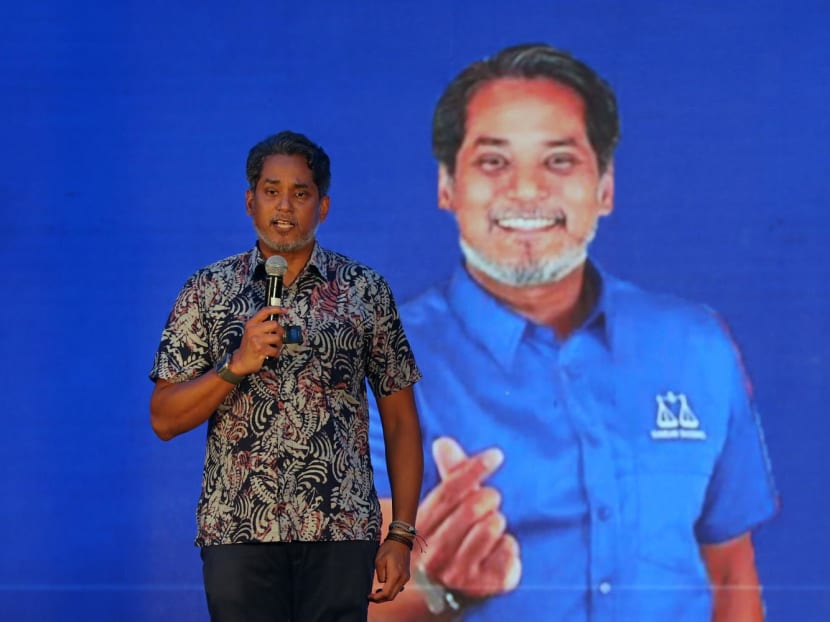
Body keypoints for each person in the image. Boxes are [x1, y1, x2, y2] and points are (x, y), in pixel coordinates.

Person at [368, 44, 778, 621]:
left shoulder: (697, 346)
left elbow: (730, 572)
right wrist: (440, 589)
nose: (527, 190)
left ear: (605, 188)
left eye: (559, 161)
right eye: (494, 162)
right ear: (447, 187)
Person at [149, 130, 424, 622]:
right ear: (250, 201)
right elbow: (164, 419)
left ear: (324, 206)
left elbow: (401, 421)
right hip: (239, 529)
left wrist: (400, 534)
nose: (285, 206)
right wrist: (235, 367)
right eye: (271, 191)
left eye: (301, 193)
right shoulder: (208, 291)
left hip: (340, 530)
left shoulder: (364, 291)